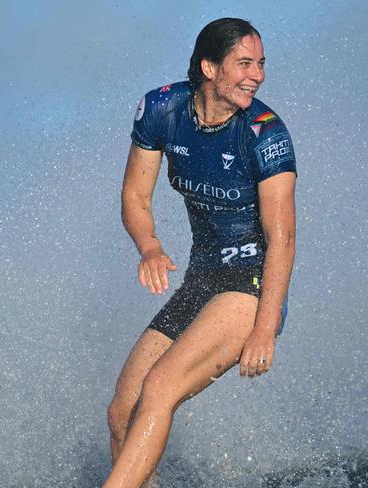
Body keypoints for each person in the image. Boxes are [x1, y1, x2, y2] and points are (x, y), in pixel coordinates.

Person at [104, 18, 297, 488]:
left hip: (251, 287)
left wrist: (265, 330)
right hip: (203, 280)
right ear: (209, 68)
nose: (258, 75)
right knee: (123, 411)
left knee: (159, 388)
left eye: (261, 64)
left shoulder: (265, 134)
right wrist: (149, 247)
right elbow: (136, 198)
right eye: (245, 63)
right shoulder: (162, 110)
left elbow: (283, 239)